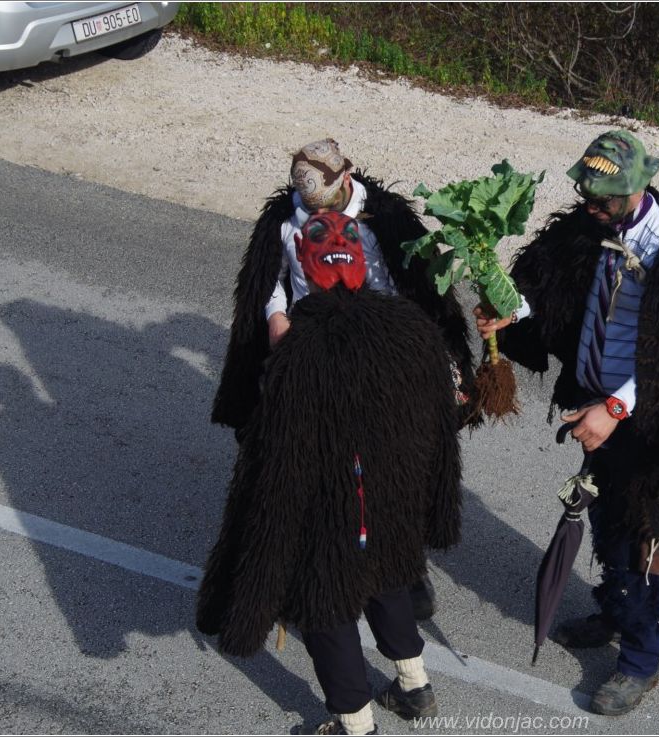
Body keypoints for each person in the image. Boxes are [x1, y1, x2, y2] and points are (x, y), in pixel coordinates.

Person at [475, 130, 659, 716]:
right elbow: (548, 291)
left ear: (635, 189)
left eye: (601, 197)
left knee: (644, 535)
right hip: (593, 401)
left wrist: (614, 409)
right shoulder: (587, 226)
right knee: (607, 516)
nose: (589, 205)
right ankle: (613, 609)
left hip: (646, 419)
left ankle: (641, 660)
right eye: (585, 193)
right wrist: (511, 311)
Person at [197, 211, 461, 736]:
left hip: (335, 505)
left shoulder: (301, 349)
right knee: (390, 574)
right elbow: (441, 432)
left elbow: (282, 460)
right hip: (394, 496)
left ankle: (353, 723)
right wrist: (434, 504)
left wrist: (269, 541)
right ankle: (414, 686)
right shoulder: (412, 329)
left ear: (307, 270)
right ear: (360, 265)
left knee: (326, 602)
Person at [212, 139, 475, 618]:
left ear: (347, 178)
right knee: (313, 463)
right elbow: (268, 279)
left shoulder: (386, 218)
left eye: (327, 200)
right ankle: (305, 560)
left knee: (395, 464)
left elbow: (415, 285)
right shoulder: (284, 221)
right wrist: (275, 316)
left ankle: (405, 567)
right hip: (312, 350)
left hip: (382, 352)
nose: (319, 211)